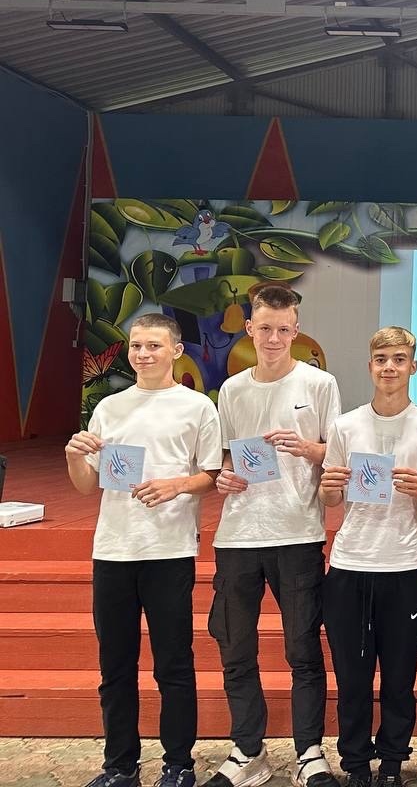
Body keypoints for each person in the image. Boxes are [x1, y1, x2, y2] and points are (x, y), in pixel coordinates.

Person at [65, 313, 222, 787]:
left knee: (173, 664)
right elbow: (86, 485)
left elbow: (211, 475)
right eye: (136, 345)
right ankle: (120, 765)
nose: (143, 354)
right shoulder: (110, 407)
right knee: (115, 666)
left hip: (169, 550)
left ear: (176, 350)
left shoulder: (197, 407)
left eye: (154, 345)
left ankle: (179, 763)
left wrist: (177, 485)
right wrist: (74, 457)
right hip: (113, 549)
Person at [207, 283, 343, 787]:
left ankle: (310, 752)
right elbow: (226, 458)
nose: (273, 338)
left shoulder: (320, 384)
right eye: (264, 328)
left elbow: (337, 454)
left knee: (303, 649)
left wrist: (307, 449)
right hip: (238, 535)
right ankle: (248, 751)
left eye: (283, 330)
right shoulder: (232, 389)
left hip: (298, 532)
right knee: (235, 649)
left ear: (296, 331)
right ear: (249, 328)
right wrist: (224, 477)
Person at [318, 327, 417, 787]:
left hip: (405, 567)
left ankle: (392, 762)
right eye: (381, 359)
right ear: (370, 365)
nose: (389, 367)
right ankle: (355, 764)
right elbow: (331, 499)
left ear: (414, 366)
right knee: (352, 679)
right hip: (350, 565)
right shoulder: (345, 426)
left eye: (398, 359)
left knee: (398, 678)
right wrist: (329, 487)